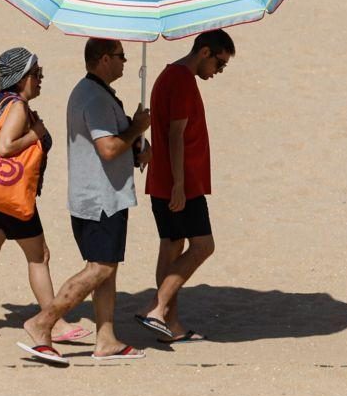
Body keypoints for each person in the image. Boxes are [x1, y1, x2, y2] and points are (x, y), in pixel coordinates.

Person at [17, 38, 151, 365]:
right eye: (121, 56)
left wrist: (136, 145)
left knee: (107, 270)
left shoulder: (95, 93)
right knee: (99, 268)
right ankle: (42, 322)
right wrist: (137, 127)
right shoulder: (94, 97)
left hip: (102, 195)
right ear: (104, 59)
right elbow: (106, 148)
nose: (125, 61)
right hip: (99, 198)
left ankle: (105, 340)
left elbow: (107, 146)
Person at [0, 47, 88, 344]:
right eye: (36, 74)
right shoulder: (16, 106)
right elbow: (5, 147)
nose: (41, 79)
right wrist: (37, 132)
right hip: (13, 195)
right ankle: (53, 324)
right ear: (21, 78)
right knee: (39, 256)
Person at [136, 29, 235, 344]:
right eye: (219, 64)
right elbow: (176, 134)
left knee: (172, 246)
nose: (218, 72)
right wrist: (179, 184)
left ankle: (171, 323)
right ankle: (157, 308)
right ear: (205, 52)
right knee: (203, 246)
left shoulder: (172, 76)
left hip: (166, 182)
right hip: (181, 184)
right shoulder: (180, 80)